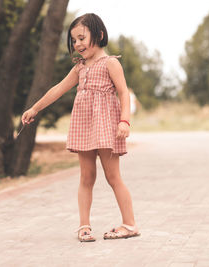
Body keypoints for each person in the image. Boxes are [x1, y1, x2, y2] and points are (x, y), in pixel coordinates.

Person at [21, 13, 140, 242]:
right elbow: (58, 89)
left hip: (106, 127)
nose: (77, 44)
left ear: (100, 35)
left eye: (82, 38)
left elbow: (124, 92)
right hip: (84, 127)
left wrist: (125, 121)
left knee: (113, 176)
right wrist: (35, 108)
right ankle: (84, 226)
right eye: (74, 40)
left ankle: (130, 224)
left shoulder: (111, 63)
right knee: (86, 177)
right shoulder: (80, 68)